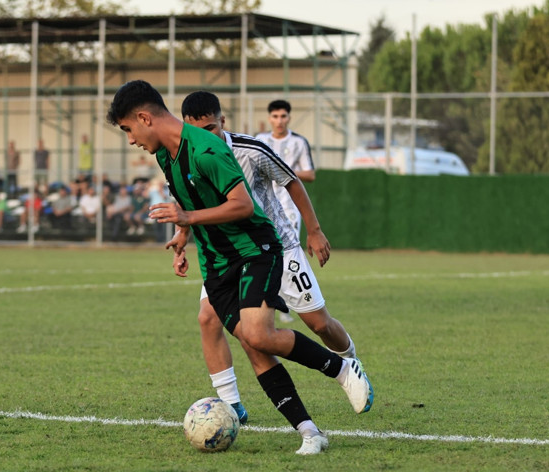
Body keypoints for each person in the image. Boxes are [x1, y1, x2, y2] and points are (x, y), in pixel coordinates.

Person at [106, 80, 372, 455]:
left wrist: (189, 216)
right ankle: (310, 432)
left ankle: (344, 369)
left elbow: (244, 205)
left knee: (262, 334)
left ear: (144, 118)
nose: (131, 139)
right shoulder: (165, 154)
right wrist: (182, 236)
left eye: (128, 129)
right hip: (215, 263)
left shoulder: (208, 149)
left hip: (255, 250)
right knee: (251, 342)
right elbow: (188, 200)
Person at [180, 90, 370, 427]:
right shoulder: (187, 156)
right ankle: (231, 406)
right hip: (232, 257)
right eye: (195, 131)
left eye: (210, 128)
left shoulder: (250, 150)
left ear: (223, 122)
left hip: (278, 248)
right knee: (207, 318)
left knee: (320, 324)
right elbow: (192, 205)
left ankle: (350, 362)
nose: (203, 137)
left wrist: (314, 230)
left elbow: (293, 181)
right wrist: (182, 239)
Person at [256, 100, 316, 323]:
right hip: (264, 204)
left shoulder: (299, 142)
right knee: (265, 250)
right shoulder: (260, 140)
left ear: (289, 118)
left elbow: (310, 174)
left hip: (290, 206)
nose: (279, 120)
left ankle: (288, 300)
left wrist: (282, 170)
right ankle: (272, 298)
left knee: (287, 250)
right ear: (269, 118)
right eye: (275, 116)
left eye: (283, 116)